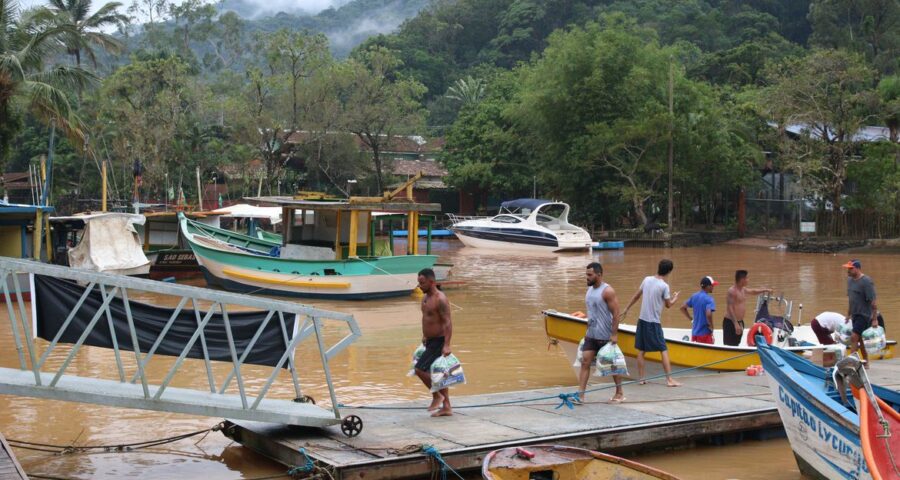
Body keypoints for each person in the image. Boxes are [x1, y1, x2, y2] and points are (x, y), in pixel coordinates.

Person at [622, 259, 681, 387]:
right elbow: (668, 305)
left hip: (642, 320)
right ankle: (669, 380)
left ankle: (641, 378)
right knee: (663, 349)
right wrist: (675, 298)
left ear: (658, 267)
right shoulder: (664, 286)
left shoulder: (647, 279)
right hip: (653, 323)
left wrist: (626, 308)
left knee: (642, 350)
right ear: (669, 271)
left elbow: (636, 296)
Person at [576, 262, 624, 404]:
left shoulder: (607, 291)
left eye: (590, 275)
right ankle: (580, 396)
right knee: (585, 362)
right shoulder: (589, 290)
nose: (587, 277)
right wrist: (587, 328)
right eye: (586, 274)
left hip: (605, 335)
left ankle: (619, 392)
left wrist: (614, 334)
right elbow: (592, 311)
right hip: (591, 335)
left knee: (612, 365)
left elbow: (616, 313)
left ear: (599, 275)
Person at [413, 268, 454, 417]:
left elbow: (448, 323)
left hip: (439, 341)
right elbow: (427, 319)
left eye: (422, 283)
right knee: (438, 373)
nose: (419, 286)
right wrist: (425, 336)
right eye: (419, 283)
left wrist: (447, 344)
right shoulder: (425, 297)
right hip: (429, 341)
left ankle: (437, 395)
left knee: (420, 369)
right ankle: (447, 407)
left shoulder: (440, 299)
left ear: (431, 282)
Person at [724, 270, 773, 346]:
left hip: (740, 322)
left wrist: (765, 290)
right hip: (731, 322)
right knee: (729, 344)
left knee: (736, 343)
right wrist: (735, 324)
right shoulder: (732, 291)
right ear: (742, 279)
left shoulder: (743, 289)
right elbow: (729, 308)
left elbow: (753, 291)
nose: (748, 280)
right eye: (747, 278)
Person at [844, 259, 878, 365]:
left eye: (850, 268)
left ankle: (851, 363)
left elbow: (873, 301)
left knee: (854, 337)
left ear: (858, 268)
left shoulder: (866, 281)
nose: (848, 271)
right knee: (861, 340)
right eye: (847, 268)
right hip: (855, 314)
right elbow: (851, 299)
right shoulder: (849, 280)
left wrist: (875, 319)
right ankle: (866, 361)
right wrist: (848, 314)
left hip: (864, 314)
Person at [681, 276, 718, 344]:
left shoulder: (694, 296)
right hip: (705, 334)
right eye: (712, 285)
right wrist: (711, 326)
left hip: (694, 334)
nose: (713, 287)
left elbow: (682, 308)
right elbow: (709, 314)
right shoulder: (709, 299)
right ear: (708, 286)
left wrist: (691, 319)